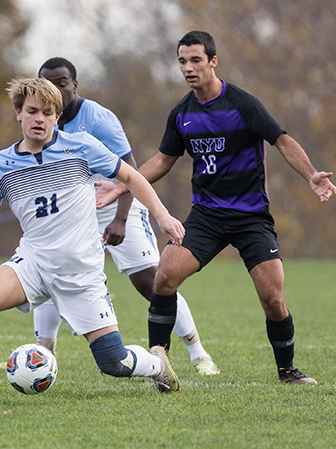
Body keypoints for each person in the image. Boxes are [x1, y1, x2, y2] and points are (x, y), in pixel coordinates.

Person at [0, 77, 186, 395]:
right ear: (19, 113)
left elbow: (131, 176)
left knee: (113, 363)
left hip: (81, 271)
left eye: (48, 112)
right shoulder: (0, 164)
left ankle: (157, 365)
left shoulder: (80, 146)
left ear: (57, 117)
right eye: (32, 111)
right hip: (34, 261)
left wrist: (162, 215)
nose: (39, 118)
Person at [96, 30, 336, 384]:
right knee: (164, 277)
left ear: (213, 61)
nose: (188, 68)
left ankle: (287, 371)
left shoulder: (243, 104)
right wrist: (121, 185)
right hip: (207, 216)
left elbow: (282, 141)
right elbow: (163, 161)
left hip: (251, 217)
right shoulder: (181, 114)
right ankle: (158, 366)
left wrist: (311, 175)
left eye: (196, 60)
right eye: (182, 61)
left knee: (273, 297)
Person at [33, 57, 219, 375]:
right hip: (75, 211)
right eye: (48, 83)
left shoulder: (99, 119)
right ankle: (42, 357)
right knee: (50, 275)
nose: (56, 89)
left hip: (119, 203)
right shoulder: (42, 120)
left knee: (152, 282)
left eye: (62, 82)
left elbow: (131, 172)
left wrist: (120, 218)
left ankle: (198, 353)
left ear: (74, 85)